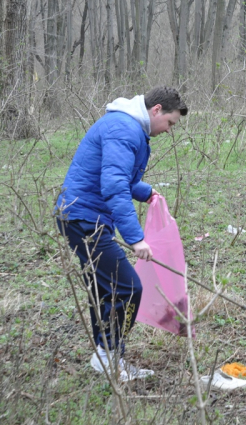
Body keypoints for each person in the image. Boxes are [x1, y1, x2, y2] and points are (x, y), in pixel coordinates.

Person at [55, 86, 188, 381]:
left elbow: (117, 176)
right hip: (84, 219)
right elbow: (114, 185)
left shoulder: (126, 125)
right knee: (129, 288)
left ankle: (106, 356)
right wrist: (135, 238)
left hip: (79, 215)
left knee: (105, 289)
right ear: (156, 111)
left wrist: (146, 192)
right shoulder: (125, 129)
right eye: (169, 123)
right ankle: (110, 356)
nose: (168, 130)